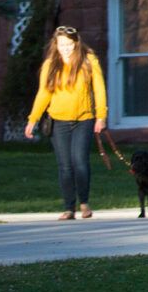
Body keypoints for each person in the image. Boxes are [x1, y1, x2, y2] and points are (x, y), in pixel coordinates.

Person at [22, 23, 108, 220]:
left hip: (84, 119)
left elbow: (99, 89)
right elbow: (44, 93)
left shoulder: (88, 61)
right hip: (59, 121)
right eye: (62, 45)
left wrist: (101, 116)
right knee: (65, 165)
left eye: (69, 44)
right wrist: (32, 119)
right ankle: (69, 207)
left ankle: (84, 202)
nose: (66, 48)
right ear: (56, 45)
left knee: (80, 162)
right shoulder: (50, 65)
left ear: (76, 43)